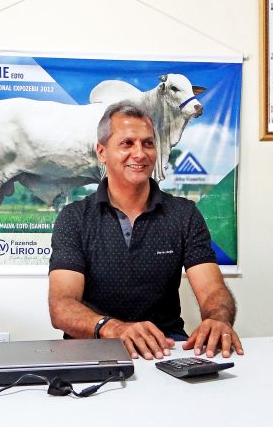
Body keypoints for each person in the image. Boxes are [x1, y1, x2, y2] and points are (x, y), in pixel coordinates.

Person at [48, 101, 243, 360]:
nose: (140, 154)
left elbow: (212, 291)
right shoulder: (74, 218)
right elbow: (61, 306)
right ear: (102, 152)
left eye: (148, 143)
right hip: (94, 351)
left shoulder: (184, 214)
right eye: (127, 143)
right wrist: (113, 328)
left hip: (167, 351)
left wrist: (219, 320)